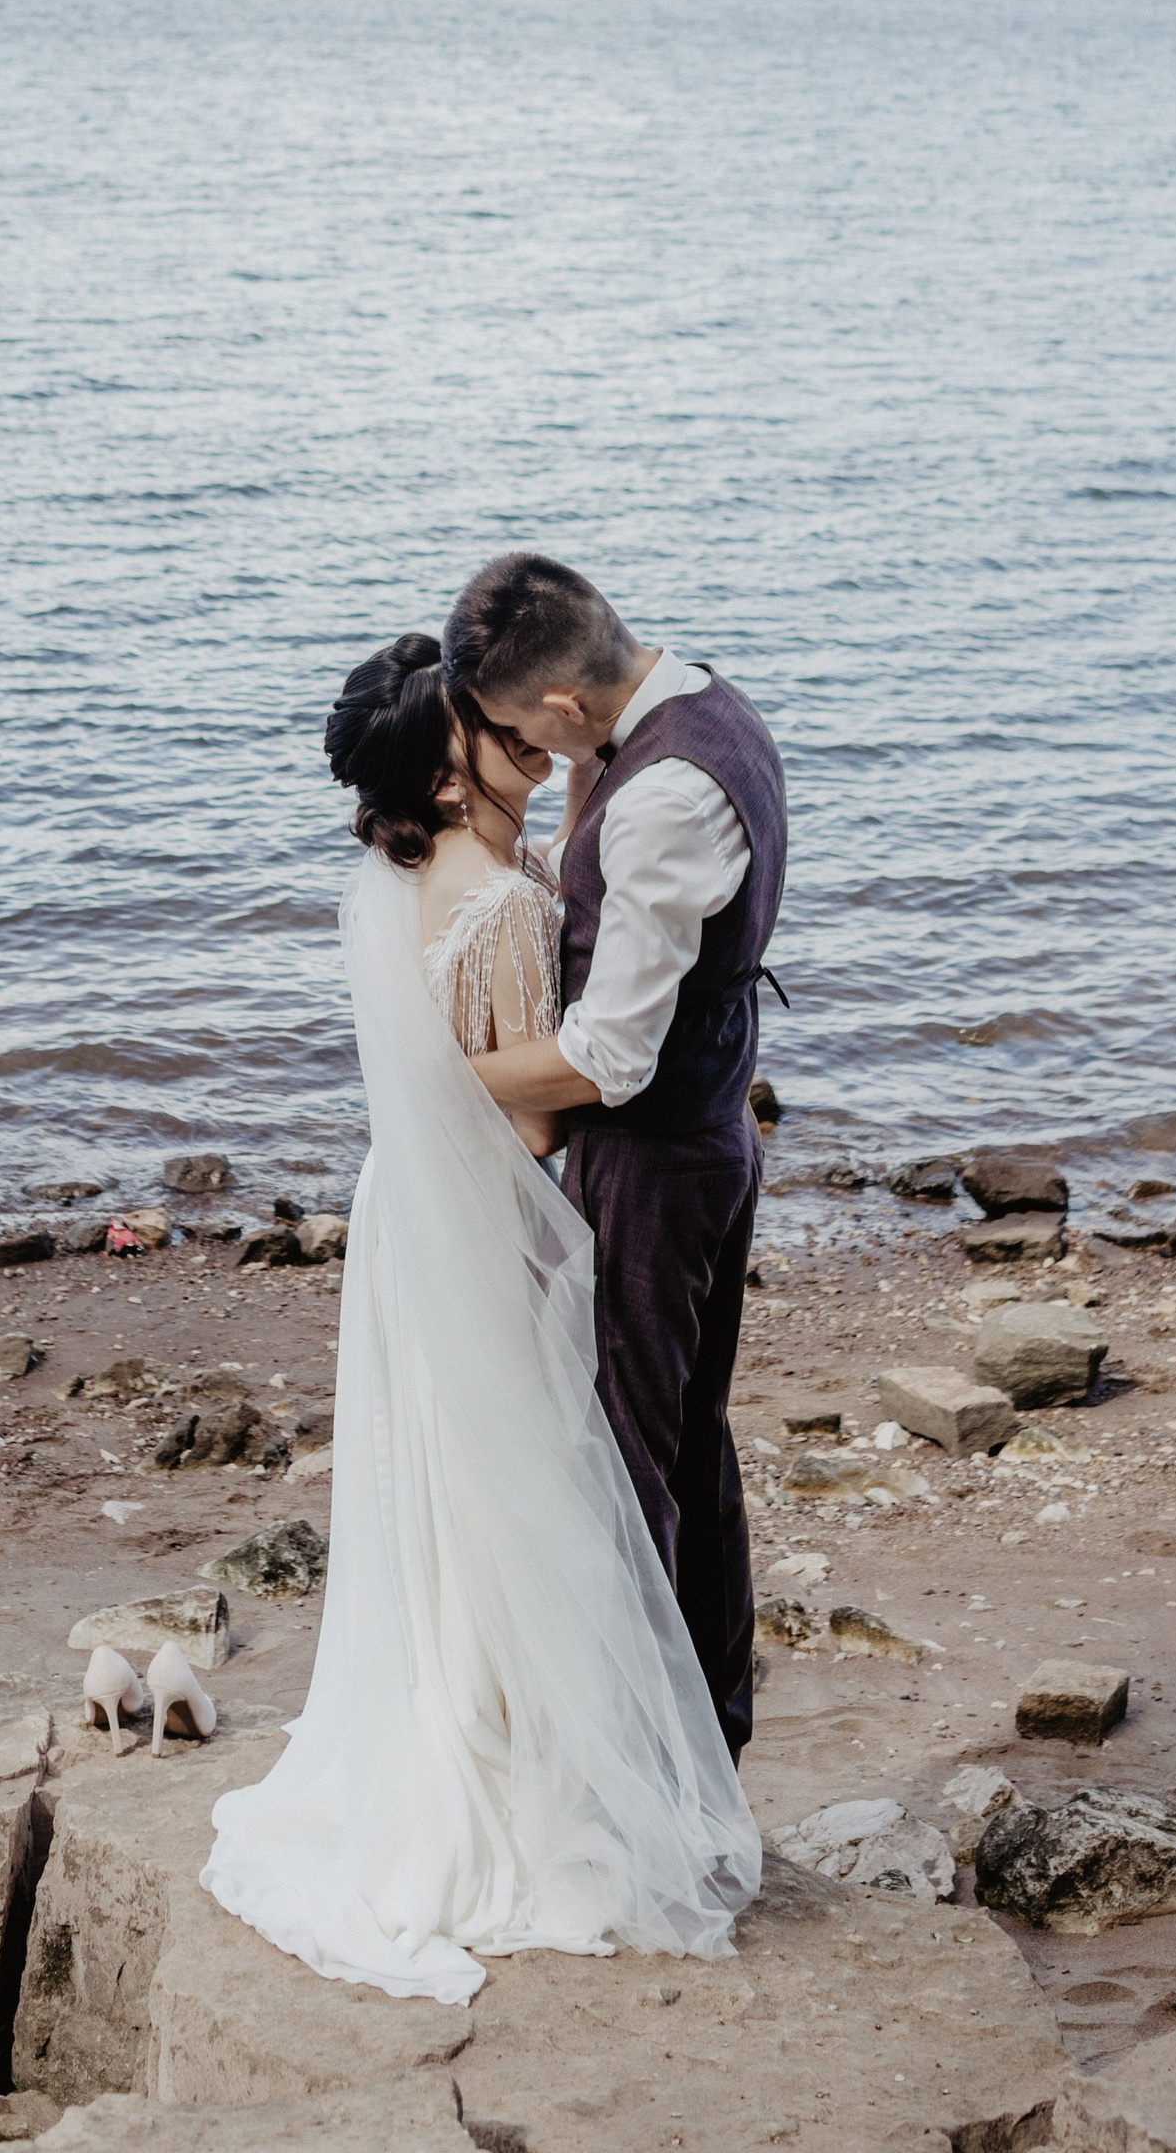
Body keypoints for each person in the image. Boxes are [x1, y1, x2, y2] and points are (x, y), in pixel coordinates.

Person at [201, 630, 758, 2003]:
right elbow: (520, 1111)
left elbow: (433, 1071)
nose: (529, 747)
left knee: (440, 1490)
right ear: (450, 776)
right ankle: (518, 1774)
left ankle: (456, 1726)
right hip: (474, 1211)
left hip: (405, 1211)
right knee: (518, 1488)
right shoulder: (499, 905)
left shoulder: (393, 881)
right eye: (498, 738)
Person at [442, 553, 784, 1760]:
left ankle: (640, 1774)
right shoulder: (700, 702)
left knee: (628, 1465)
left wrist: (439, 1084)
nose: (520, 757)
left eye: (513, 732)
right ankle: (707, 1740)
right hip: (712, 1127)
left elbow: (609, 1056)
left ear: (568, 709)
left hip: (656, 1159)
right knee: (688, 1438)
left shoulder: (658, 798)